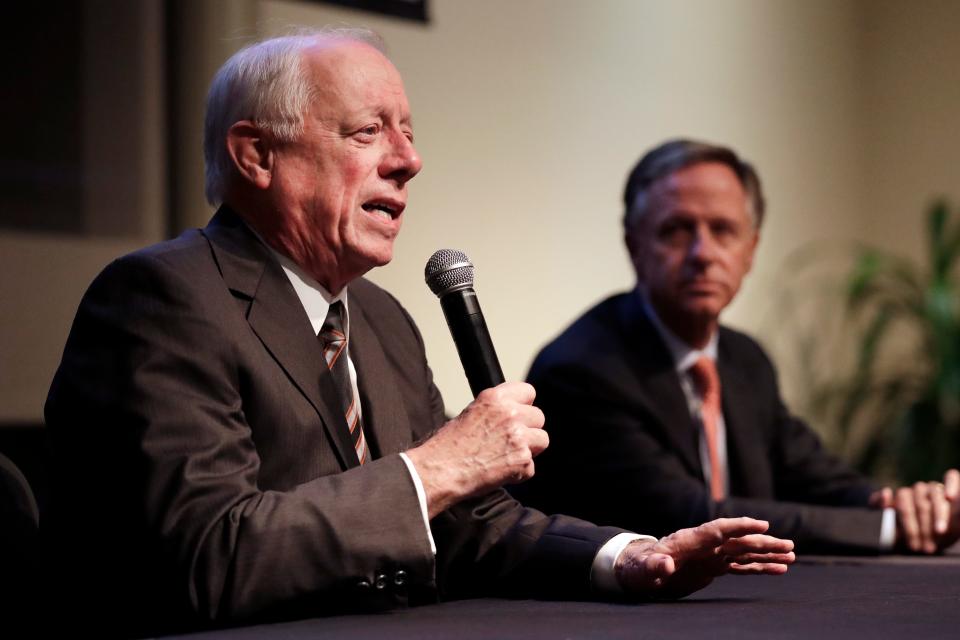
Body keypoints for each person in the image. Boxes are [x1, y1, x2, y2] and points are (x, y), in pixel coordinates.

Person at [43, 33, 794, 637]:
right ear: (256, 155)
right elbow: (207, 556)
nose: (409, 161)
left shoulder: (382, 318)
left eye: (407, 132)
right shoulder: (161, 297)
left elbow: (469, 524)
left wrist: (629, 556)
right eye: (369, 132)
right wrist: (435, 468)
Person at [514, 138, 960, 555]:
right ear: (634, 246)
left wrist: (902, 504)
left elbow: (813, 476)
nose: (702, 253)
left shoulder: (744, 359)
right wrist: (889, 529)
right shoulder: (581, 369)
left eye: (723, 229)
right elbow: (687, 517)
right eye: (676, 230)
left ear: (750, 250)